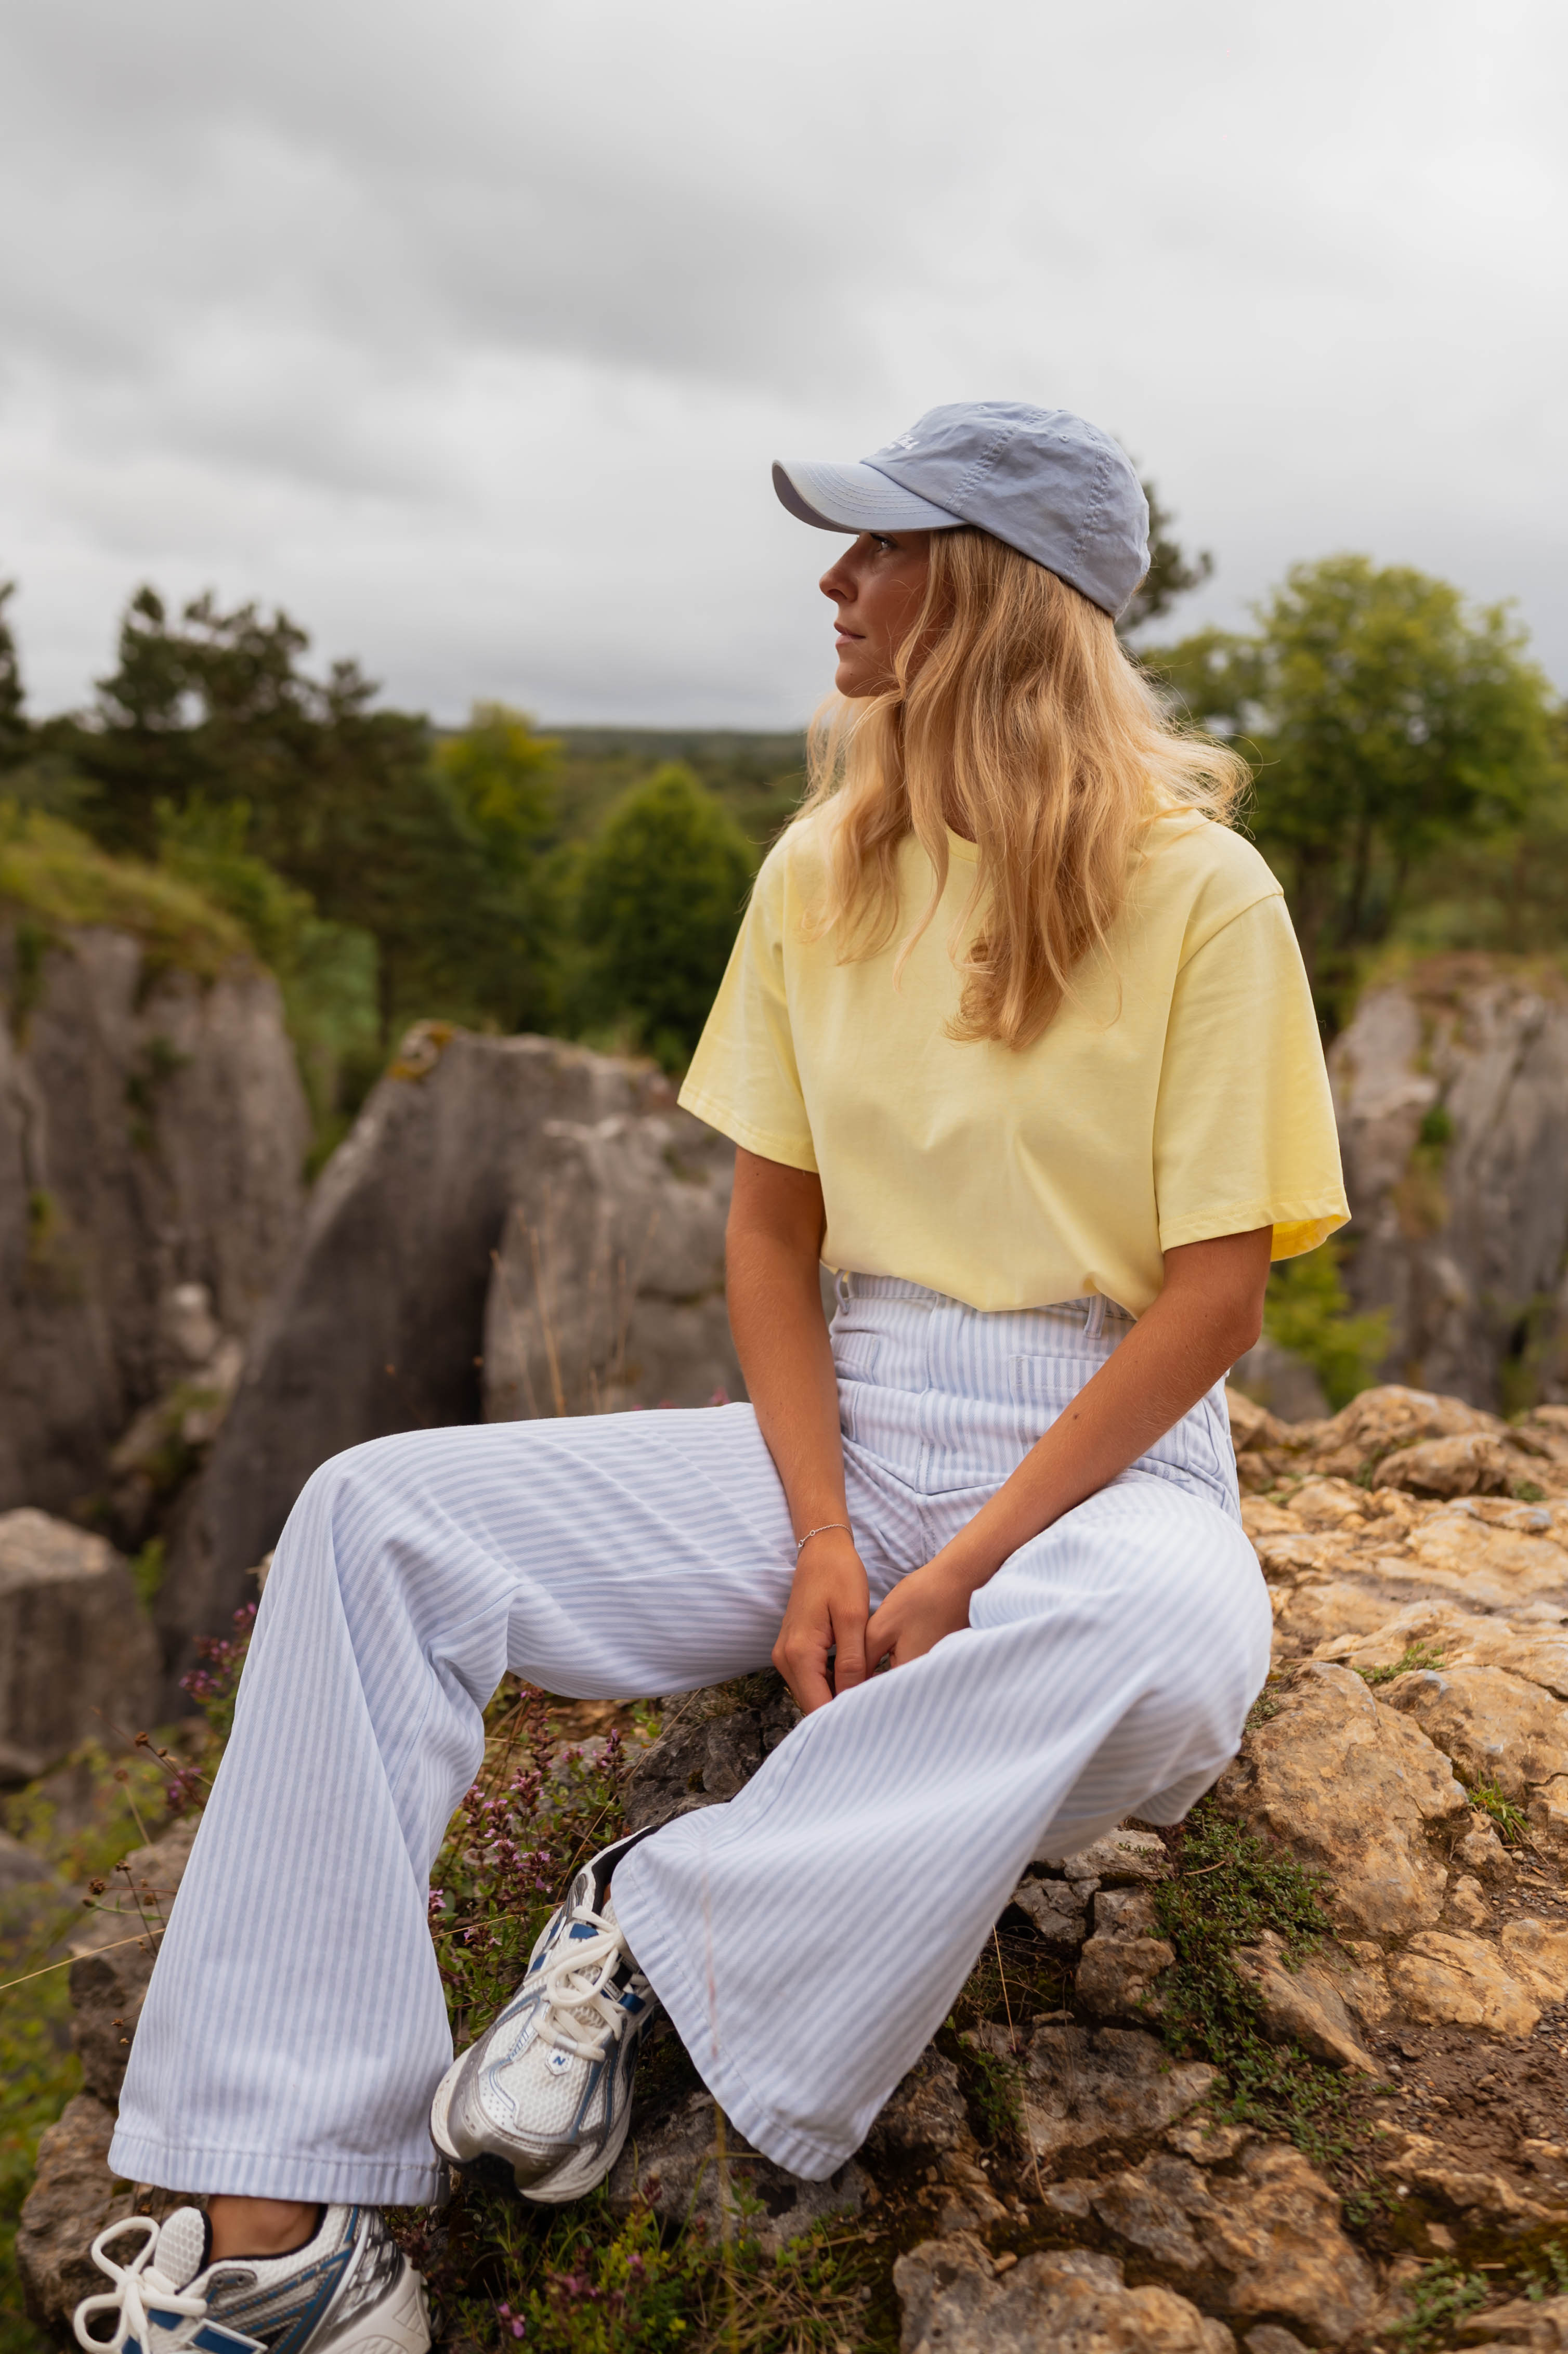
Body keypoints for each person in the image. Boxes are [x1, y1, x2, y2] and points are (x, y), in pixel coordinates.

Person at [73, 402, 1348, 2354]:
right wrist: (830, 1532)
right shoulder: (821, 870)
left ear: (996, 597)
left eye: (881, 549)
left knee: (1167, 1659)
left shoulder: (1204, 894)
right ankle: (290, 2239)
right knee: (375, 1519)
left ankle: (648, 1941)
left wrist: (957, 1570)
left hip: (1105, 1454)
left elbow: (1212, 1305)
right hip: (839, 1413)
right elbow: (770, 1238)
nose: (834, 583)